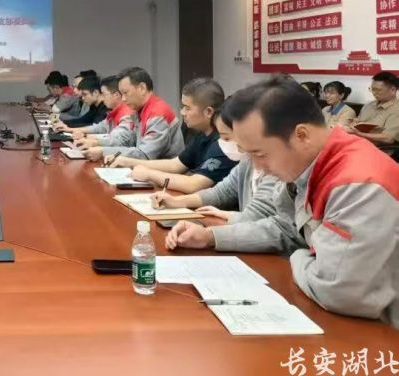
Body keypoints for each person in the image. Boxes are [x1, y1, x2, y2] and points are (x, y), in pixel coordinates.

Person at [165, 77, 398, 328]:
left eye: (260, 154)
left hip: (379, 332)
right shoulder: (309, 165)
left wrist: (300, 254)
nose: (257, 166)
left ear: (301, 135)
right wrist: (210, 237)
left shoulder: (359, 184)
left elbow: (338, 292)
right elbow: (285, 227)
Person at [149, 99, 278, 221]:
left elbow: (257, 217)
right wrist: (176, 201)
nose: (223, 143)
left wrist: (228, 217)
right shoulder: (246, 162)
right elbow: (221, 192)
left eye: (227, 138)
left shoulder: (275, 168)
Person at [108, 78, 236, 194]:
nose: (182, 112)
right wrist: (128, 162)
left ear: (208, 112)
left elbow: (194, 184)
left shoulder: (223, 141)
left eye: (187, 108)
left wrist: (149, 174)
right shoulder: (202, 134)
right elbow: (175, 165)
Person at [87, 66, 184, 161]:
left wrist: (103, 151)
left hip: (163, 169)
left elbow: (144, 154)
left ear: (142, 88)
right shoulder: (139, 110)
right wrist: (98, 144)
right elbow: (127, 140)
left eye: (125, 93)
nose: (123, 99)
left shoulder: (158, 114)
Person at [61, 76, 134, 159]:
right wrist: (72, 130)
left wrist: (90, 139)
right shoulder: (113, 110)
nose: (102, 97)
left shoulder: (127, 113)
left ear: (116, 95)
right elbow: (100, 127)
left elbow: (116, 139)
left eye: (104, 94)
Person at [344, 71, 399, 146]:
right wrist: (352, 125)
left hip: (378, 149)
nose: (374, 93)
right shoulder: (369, 105)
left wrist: (359, 134)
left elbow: (388, 138)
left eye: (378, 90)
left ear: (393, 90)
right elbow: (358, 122)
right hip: (356, 143)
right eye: (372, 89)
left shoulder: (396, 109)